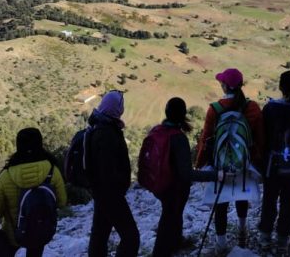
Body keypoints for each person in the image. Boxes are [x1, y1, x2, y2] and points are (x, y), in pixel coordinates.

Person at [195, 68, 265, 253]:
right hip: (244, 164)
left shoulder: (215, 109)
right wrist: (257, 160)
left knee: (221, 204)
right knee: (241, 196)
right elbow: (259, 137)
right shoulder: (252, 107)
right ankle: (243, 231)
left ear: (224, 85)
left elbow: (206, 139)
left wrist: (199, 163)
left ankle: (221, 244)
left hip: (220, 166)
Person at [150, 97, 220, 257]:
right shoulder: (178, 138)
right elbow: (187, 174)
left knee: (173, 213)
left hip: (158, 183)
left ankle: (175, 243)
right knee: (169, 217)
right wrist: (215, 175)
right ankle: (161, 252)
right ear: (183, 114)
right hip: (173, 188)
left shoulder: (157, 130)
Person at [0, 127, 67, 256]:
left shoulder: (6, 176)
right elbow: (62, 202)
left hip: (13, 234)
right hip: (41, 231)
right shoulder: (52, 171)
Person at [257, 71, 290, 255]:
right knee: (289, 202)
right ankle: (283, 241)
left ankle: (265, 237)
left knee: (269, 200)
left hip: (272, 166)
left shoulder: (270, 109)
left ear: (280, 87)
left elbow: (262, 137)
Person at [87, 91, 140, 257]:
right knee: (131, 236)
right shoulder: (106, 133)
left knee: (100, 236)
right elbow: (107, 169)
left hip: (102, 192)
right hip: (110, 194)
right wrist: (118, 186)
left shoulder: (100, 126)